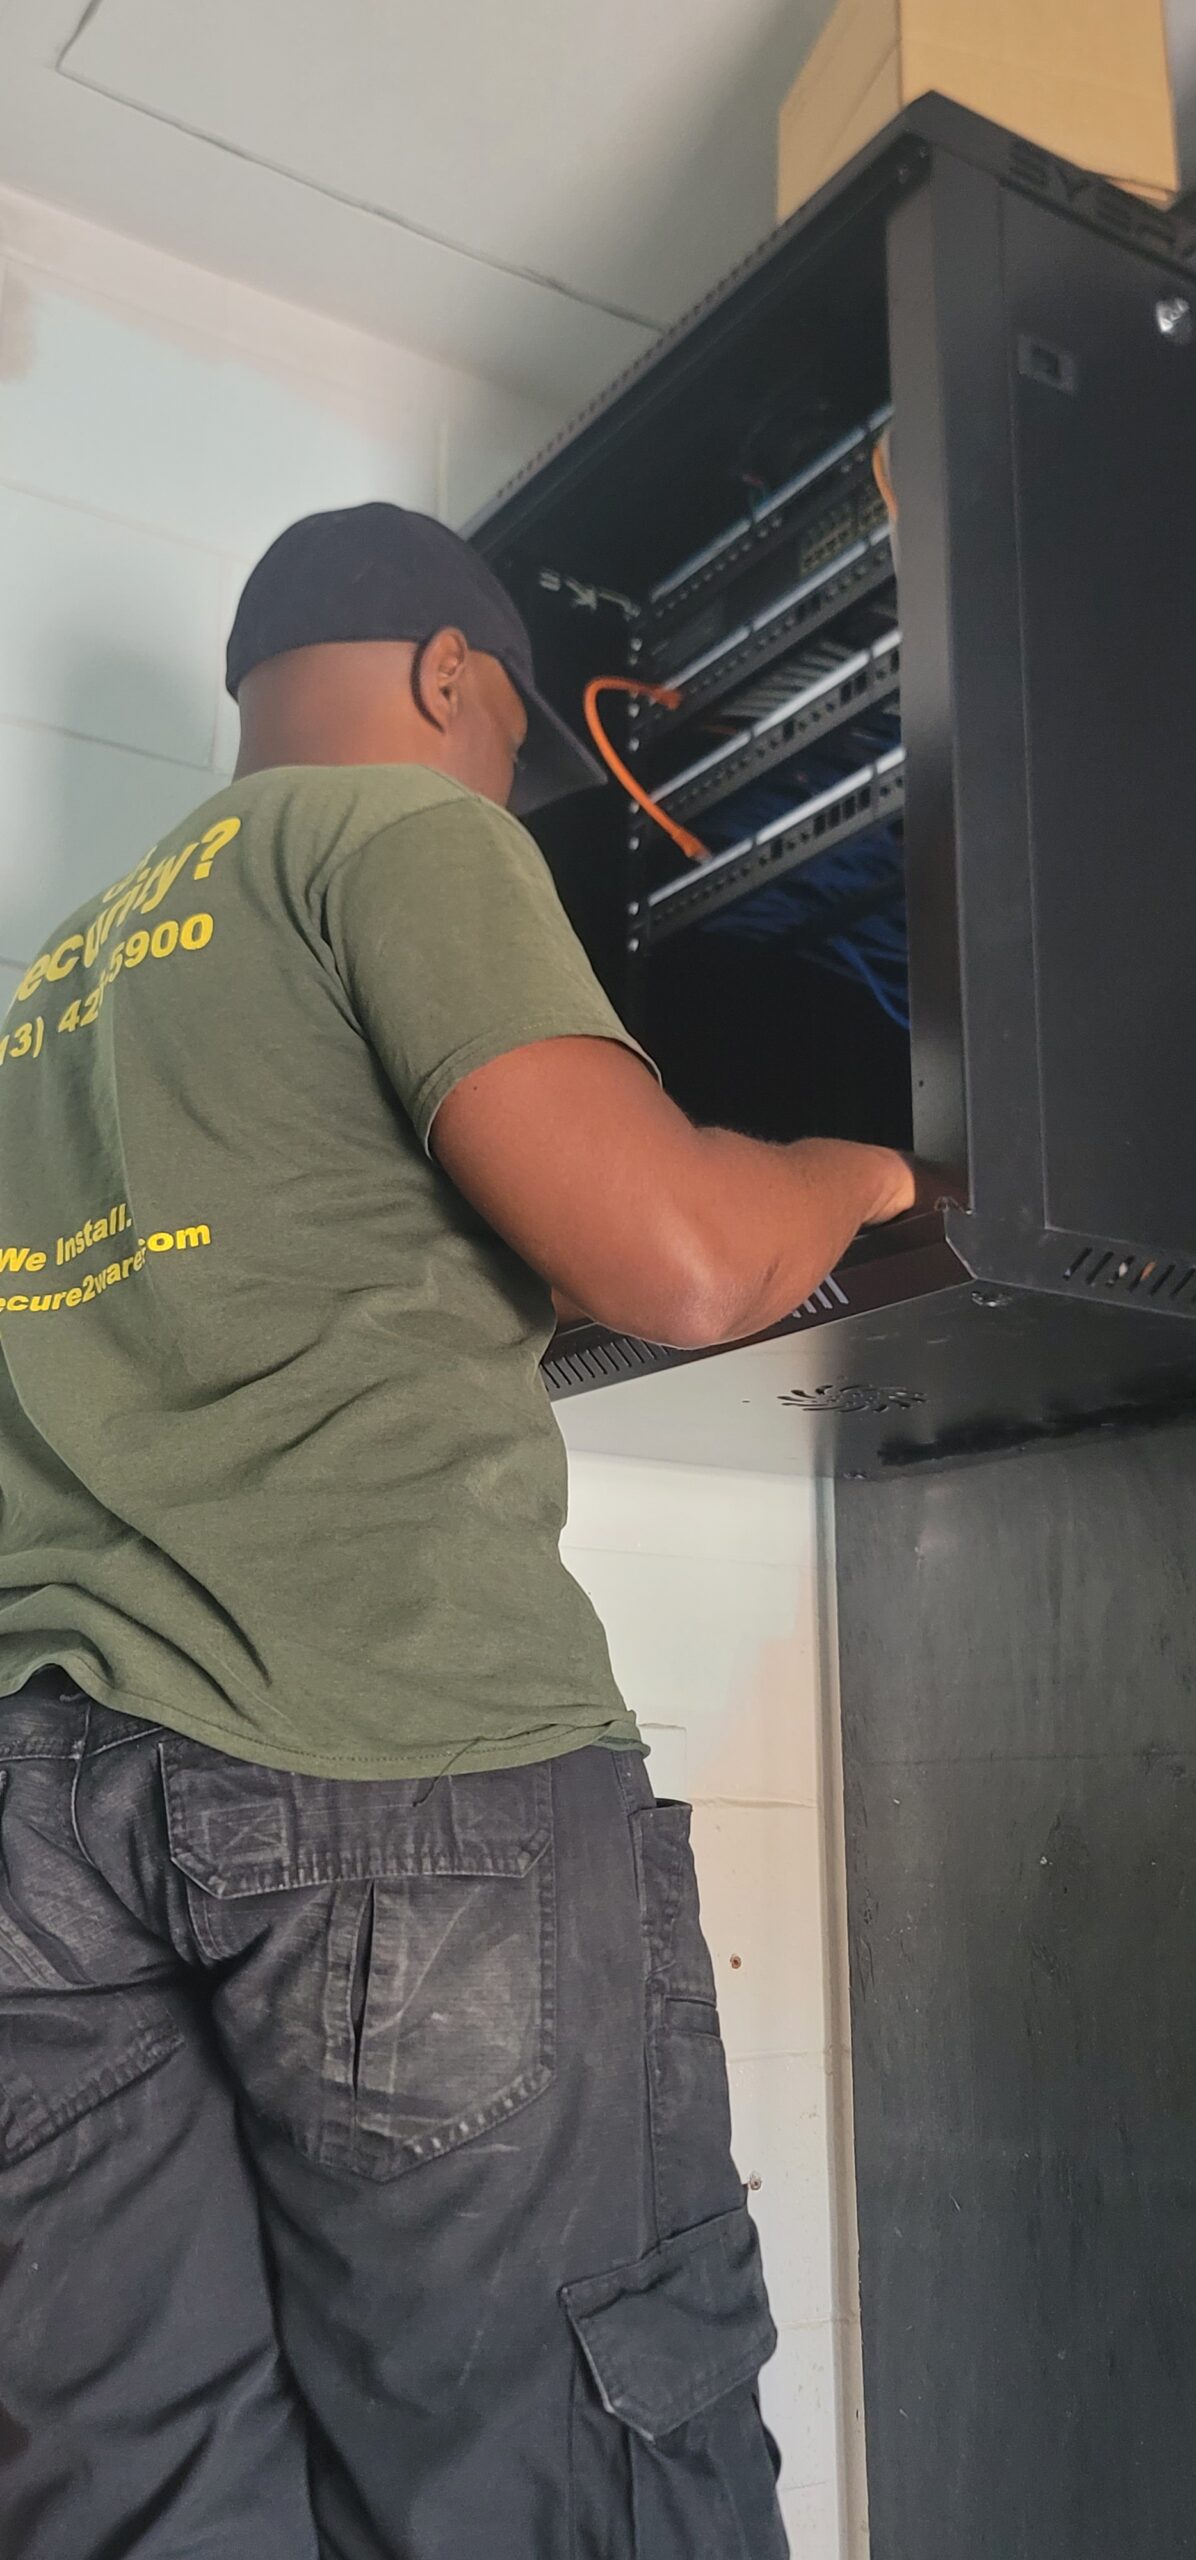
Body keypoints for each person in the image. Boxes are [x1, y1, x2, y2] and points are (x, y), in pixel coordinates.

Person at [0, 503, 915, 2559]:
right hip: (391, 1768)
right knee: (562, 2494)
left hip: (42, 1824)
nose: (511, 794)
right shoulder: (398, 835)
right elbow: (682, 1255)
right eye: (514, 743)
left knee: (143, 2506)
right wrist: (853, 1172)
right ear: (447, 678)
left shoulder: (54, 981)